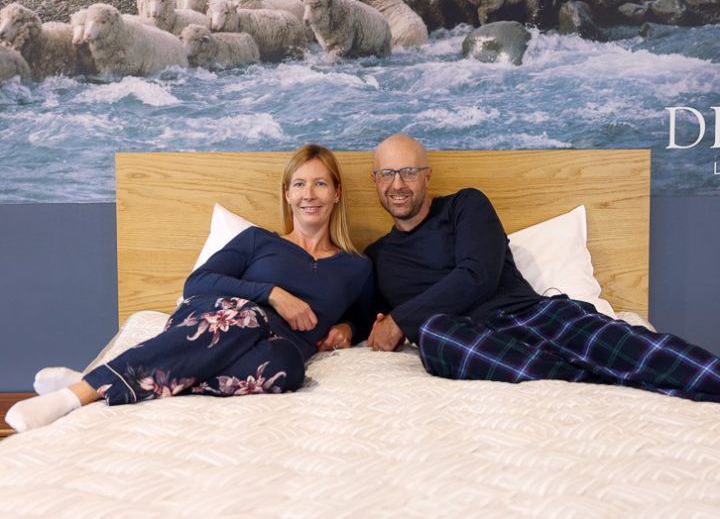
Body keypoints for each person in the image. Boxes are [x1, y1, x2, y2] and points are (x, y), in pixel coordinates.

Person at [6, 144, 373, 432]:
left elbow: (367, 316)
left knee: (286, 368)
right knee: (247, 317)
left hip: (277, 347)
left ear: (337, 193)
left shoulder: (356, 267)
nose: (309, 194)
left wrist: (348, 328)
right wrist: (272, 294)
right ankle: (76, 395)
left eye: (320, 183)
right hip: (211, 323)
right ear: (287, 194)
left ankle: (105, 382)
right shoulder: (258, 240)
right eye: (299, 184)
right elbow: (197, 282)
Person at [365, 133, 720, 402]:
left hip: (530, 316)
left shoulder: (465, 205)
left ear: (427, 176)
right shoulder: (377, 257)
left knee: (639, 351)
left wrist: (400, 320)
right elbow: (361, 314)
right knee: (433, 333)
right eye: (387, 174)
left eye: (408, 172)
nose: (398, 185)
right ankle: (602, 381)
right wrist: (345, 328)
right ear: (374, 180)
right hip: (472, 341)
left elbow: (477, 276)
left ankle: (596, 376)